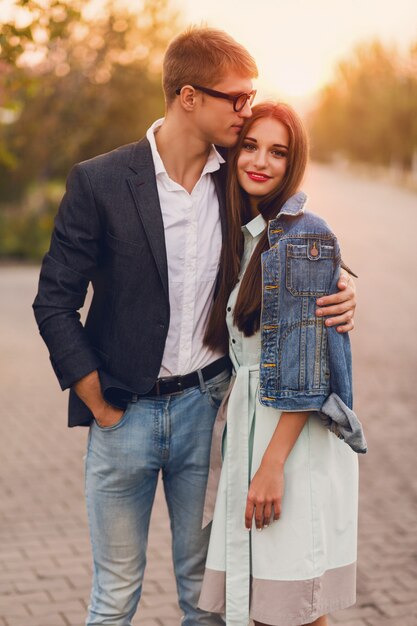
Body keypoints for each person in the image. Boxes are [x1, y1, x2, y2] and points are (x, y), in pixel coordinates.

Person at [33, 28, 357, 626]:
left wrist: (342, 287)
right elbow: (53, 302)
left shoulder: (235, 181)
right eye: (236, 98)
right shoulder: (100, 181)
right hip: (121, 412)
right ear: (189, 96)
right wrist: (95, 399)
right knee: (114, 596)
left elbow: (295, 237)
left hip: (208, 416)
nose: (247, 109)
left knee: (204, 598)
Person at [199, 102, 367, 626]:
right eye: (250, 146)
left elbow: (306, 376)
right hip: (256, 425)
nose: (260, 162)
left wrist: (271, 468)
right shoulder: (246, 231)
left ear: (294, 163)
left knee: (295, 608)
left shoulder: (303, 236)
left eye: (279, 152)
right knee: (270, 606)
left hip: (289, 437)